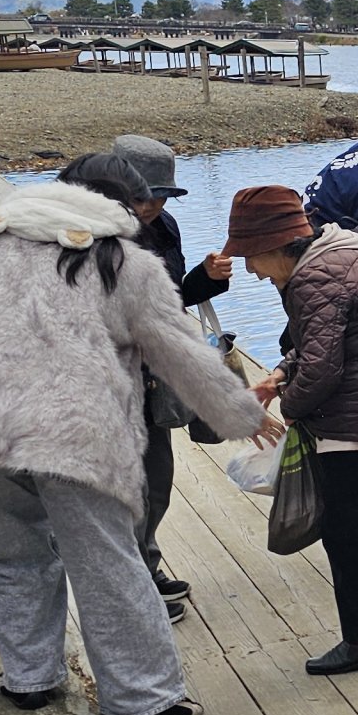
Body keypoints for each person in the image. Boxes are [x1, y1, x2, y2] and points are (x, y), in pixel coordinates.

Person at [0, 155, 267, 715]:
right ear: (123, 205)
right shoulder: (125, 263)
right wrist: (239, 414)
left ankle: (29, 677)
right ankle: (144, 696)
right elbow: (181, 352)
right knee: (107, 561)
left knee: (11, 555)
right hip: (76, 434)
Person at [225, 185, 358, 675]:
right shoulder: (350, 253)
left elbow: (321, 369)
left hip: (356, 426)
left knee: (349, 532)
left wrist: (290, 408)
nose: (251, 270)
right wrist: (279, 375)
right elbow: (330, 341)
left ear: (276, 245)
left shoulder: (313, 278)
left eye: (251, 256)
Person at [109, 134, 231, 605]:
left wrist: (205, 279)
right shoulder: (91, 235)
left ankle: (146, 564)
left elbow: (173, 298)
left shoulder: (165, 227)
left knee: (156, 480)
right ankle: (131, 584)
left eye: (162, 196)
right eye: (144, 197)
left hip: (155, 374)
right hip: (109, 378)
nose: (153, 206)